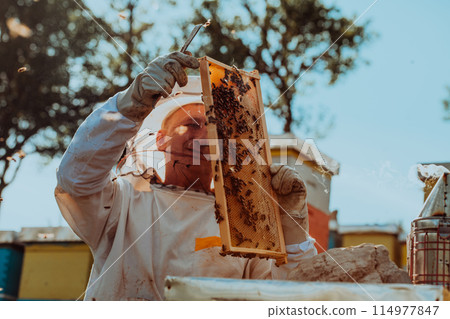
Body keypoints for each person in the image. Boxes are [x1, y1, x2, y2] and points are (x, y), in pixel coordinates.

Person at [55, 52, 317, 301]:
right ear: (160, 140)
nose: (205, 136)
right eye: (192, 124)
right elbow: (76, 178)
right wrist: (131, 102)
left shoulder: (244, 228)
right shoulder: (122, 204)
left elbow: (289, 296)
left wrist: (294, 230)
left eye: (213, 128)